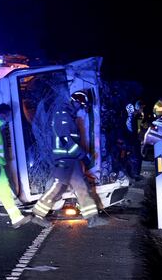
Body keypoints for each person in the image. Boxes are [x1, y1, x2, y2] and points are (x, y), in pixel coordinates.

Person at [31, 91, 108, 228]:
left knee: (82, 187)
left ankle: (92, 218)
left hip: (71, 159)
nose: (80, 108)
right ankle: (37, 215)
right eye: (81, 105)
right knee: (57, 187)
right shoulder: (63, 115)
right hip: (64, 159)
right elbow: (66, 139)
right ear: (75, 101)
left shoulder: (69, 116)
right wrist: (81, 155)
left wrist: (79, 156)